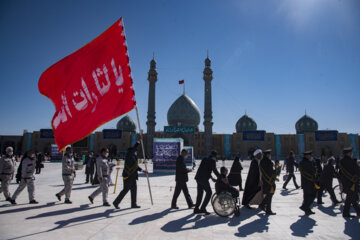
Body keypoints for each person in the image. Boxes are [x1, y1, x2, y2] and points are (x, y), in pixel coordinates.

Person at [113, 135, 148, 209]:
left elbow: (136, 166)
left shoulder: (133, 157)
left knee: (134, 189)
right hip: (128, 176)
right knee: (126, 190)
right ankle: (116, 202)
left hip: (133, 176)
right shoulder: (129, 155)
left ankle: (133, 204)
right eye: (135, 151)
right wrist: (138, 141)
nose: (136, 152)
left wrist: (143, 170)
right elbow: (133, 149)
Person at [194, 150, 220, 215]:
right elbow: (214, 170)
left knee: (200, 193)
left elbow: (204, 169)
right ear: (215, 156)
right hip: (204, 179)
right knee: (209, 192)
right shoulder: (212, 161)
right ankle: (203, 208)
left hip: (198, 177)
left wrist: (211, 177)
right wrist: (221, 177)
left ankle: (196, 209)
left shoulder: (205, 159)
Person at [339, 147, 360, 218]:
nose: (351, 154)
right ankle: (345, 213)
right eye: (350, 152)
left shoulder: (342, 161)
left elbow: (340, 173)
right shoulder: (350, 161)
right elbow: (357, 170)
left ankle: (358, 211)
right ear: (348, 153)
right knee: (350, 199)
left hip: (346, 183)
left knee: (352, 198)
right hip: (352, 183)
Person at [299, 150, 317, 215]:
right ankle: (304, 207)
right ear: (307, 156)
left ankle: (307, 209)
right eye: (310, 155)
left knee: (306, 196)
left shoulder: (302, 162)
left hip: (305, 182)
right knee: (312, 195)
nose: (311, 156)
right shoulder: (307, 163)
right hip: (308, 182)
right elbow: (313, 170)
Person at [259, 149, 276, 215]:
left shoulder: (263, 161)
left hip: (266, 180)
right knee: (270, 195)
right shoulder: (267, 161)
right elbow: (269, 171)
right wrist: (274, 172)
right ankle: (268, 210)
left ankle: (263, 205)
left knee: (269, 195)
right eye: (269, 154)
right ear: (267, 155)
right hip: (269, 181)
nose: (270, 155)